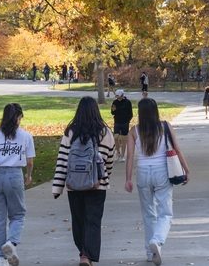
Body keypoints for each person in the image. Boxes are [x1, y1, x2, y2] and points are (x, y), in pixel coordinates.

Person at [125, 98, 189, 265]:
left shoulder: (134, 131)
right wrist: (186, 169)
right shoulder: (165, 126)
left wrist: (128, 179)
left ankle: (149, 252)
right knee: (166, 213)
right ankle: (157, 241)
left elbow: (130, 156)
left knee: (148, 213)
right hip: (162, 172)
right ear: (156, 111)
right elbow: (177, 149)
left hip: (143, 173)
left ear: (140, 113)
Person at [52, 97, 115, 266]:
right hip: (97, 185)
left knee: (79, 220)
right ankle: (87, 254)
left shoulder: (70, 133)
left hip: (74, 185)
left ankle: (83, 253)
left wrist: (57, 187)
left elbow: (62, 160)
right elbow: (109, 159)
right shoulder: (105, 132)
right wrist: (104, 176)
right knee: (93, 220)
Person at [0, 103, 34, 266]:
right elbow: (30, 161)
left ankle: (0, 258)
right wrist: (28, 176)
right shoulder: (26, 136)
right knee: (18, 214)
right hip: (14, 175)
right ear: (18, 118)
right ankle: (11, 242)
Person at [110, 90, 133, 162]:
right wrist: (113, 109)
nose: (117, 98)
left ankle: (122, 155)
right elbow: (112, 112)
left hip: (125, 123)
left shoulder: (127, 102)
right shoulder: (115, 102)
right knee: (116, 137)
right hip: (117, 122)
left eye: (118, 96)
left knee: (124, 140)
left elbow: (130, 113)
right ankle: (118, 153)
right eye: (116, 96)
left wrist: (128, 120)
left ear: (122, 95)